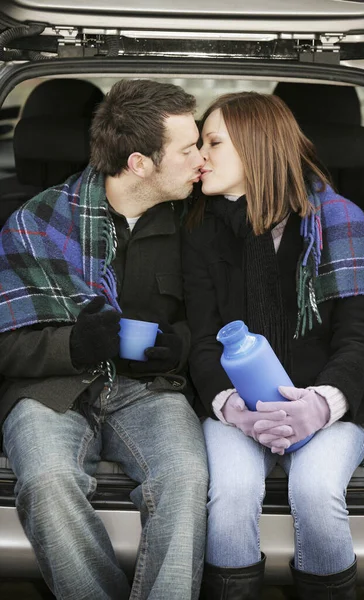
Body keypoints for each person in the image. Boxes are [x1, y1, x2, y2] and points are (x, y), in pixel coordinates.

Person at [182, 91, 364, 599]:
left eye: (213, 142)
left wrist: (322, 405)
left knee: (316, 490)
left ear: (257, 147)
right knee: (231, 495)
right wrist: (230, 406)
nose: (201, 157)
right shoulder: (199, 228)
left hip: (329, 409)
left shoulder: (338, 222)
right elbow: (202, 338)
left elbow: (359, 338)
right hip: (237, 409)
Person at [0, 79, 208, 600]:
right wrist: (72, 345)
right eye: (188, 149)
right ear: (140, 163)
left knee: (184, 479)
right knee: (47, 483)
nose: (201, 159)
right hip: (54, 390)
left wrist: (179, 346)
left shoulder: (199, 221)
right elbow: (5, 345)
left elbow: (221, 320)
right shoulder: (37, 221)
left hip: (151, 389)